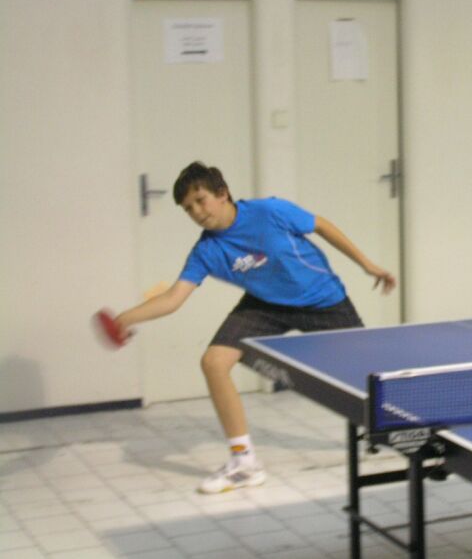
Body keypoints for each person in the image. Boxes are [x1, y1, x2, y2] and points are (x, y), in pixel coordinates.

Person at [113, 161, 396, 494]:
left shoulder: (270, 212)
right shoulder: (206, 251)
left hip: (322, 300)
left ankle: (409, 427)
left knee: (367, 372)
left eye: (200, 200)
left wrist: (368, 265)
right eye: (188, 208)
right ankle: (244, 462)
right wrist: (124, 319)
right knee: (214, 362)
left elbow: (321, 226)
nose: (197, 212)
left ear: (222, 193)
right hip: (264, 306)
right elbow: (174, 298)